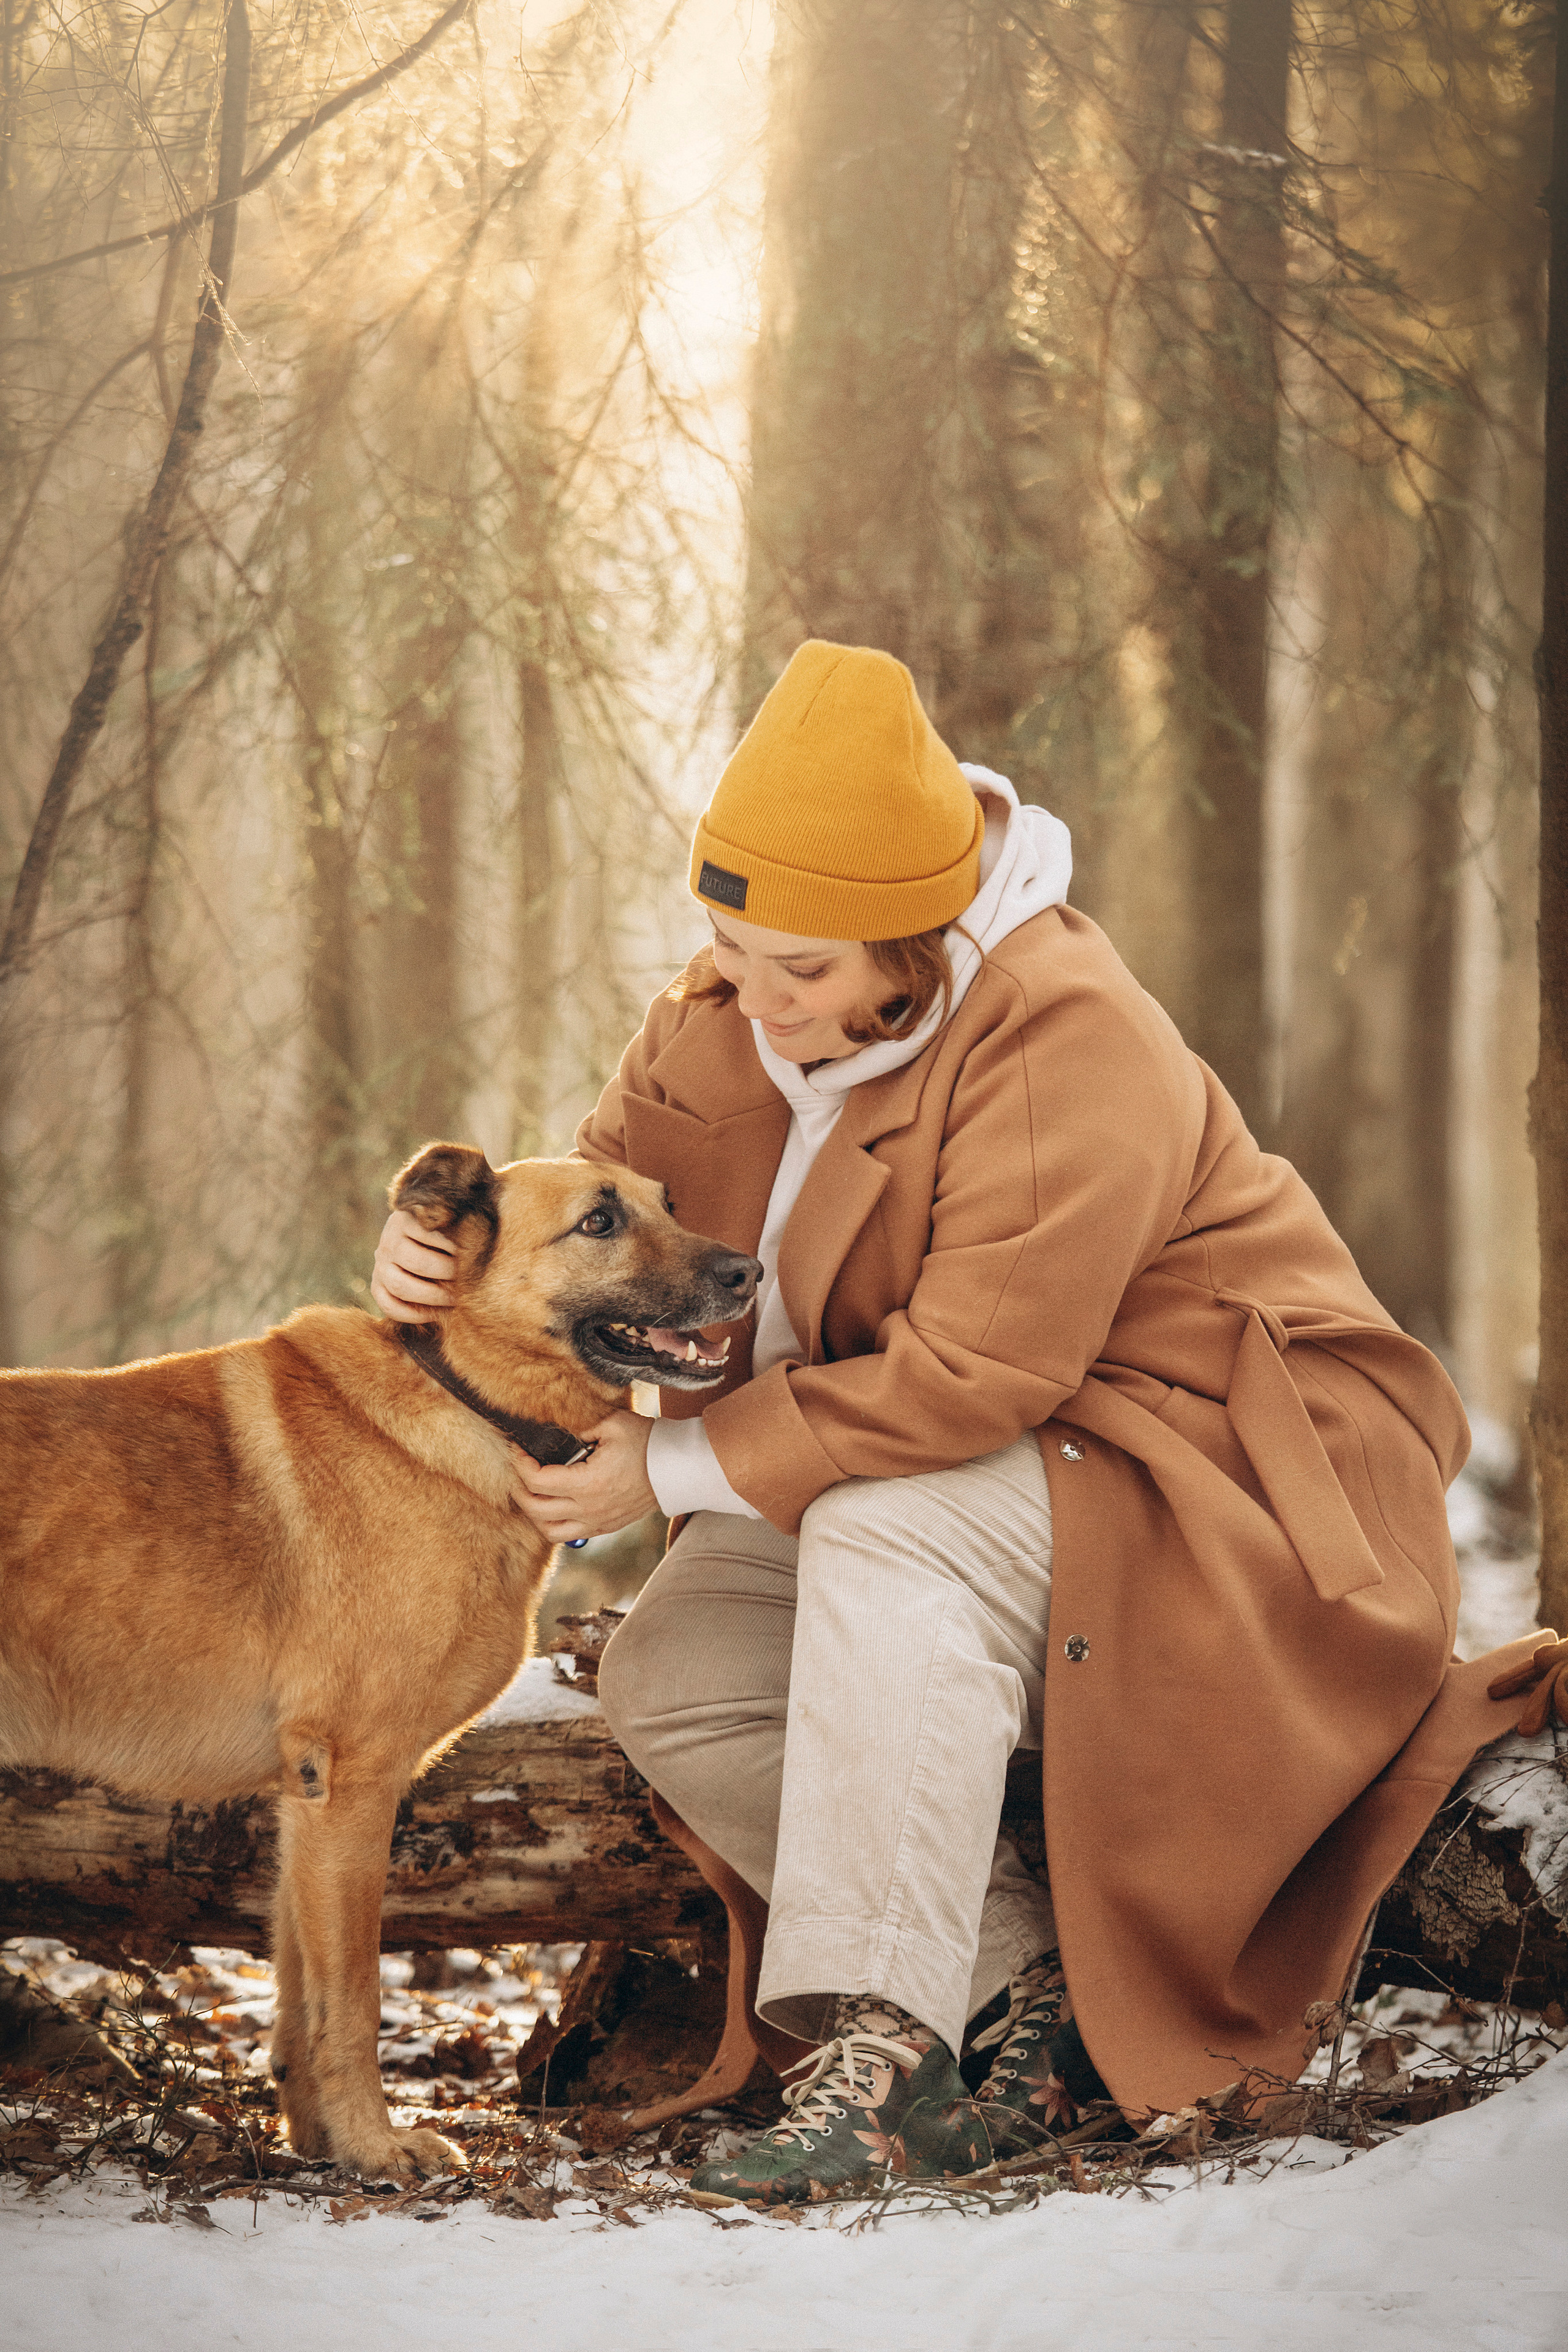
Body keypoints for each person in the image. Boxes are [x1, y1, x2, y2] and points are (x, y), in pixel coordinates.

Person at [372, 638, 1536, 2209]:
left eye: (801, 969)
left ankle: (887, 2056)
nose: (755, 998)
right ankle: (1027, 1997)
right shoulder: (726, 1006)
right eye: (728, 946)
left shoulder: (1067, 1036)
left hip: (1218, 1477)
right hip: (957, 1465)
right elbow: (590, 1223)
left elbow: (974, 1380)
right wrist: (426, 1265)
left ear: (908, 940)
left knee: (883, 1523)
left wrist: (673, 1464)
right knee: (678, 1669)